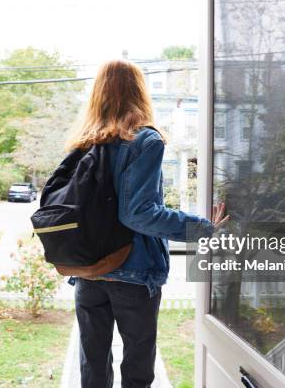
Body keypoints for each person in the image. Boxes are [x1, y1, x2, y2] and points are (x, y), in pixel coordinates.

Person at [66, 59, 229, 388]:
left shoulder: (83, 143)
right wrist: (200, 228)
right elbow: (138, 213)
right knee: (137, 368)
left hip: (88, 271)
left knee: (92, 365)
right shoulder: (144, 141)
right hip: (133, 272)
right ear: (139, 92)